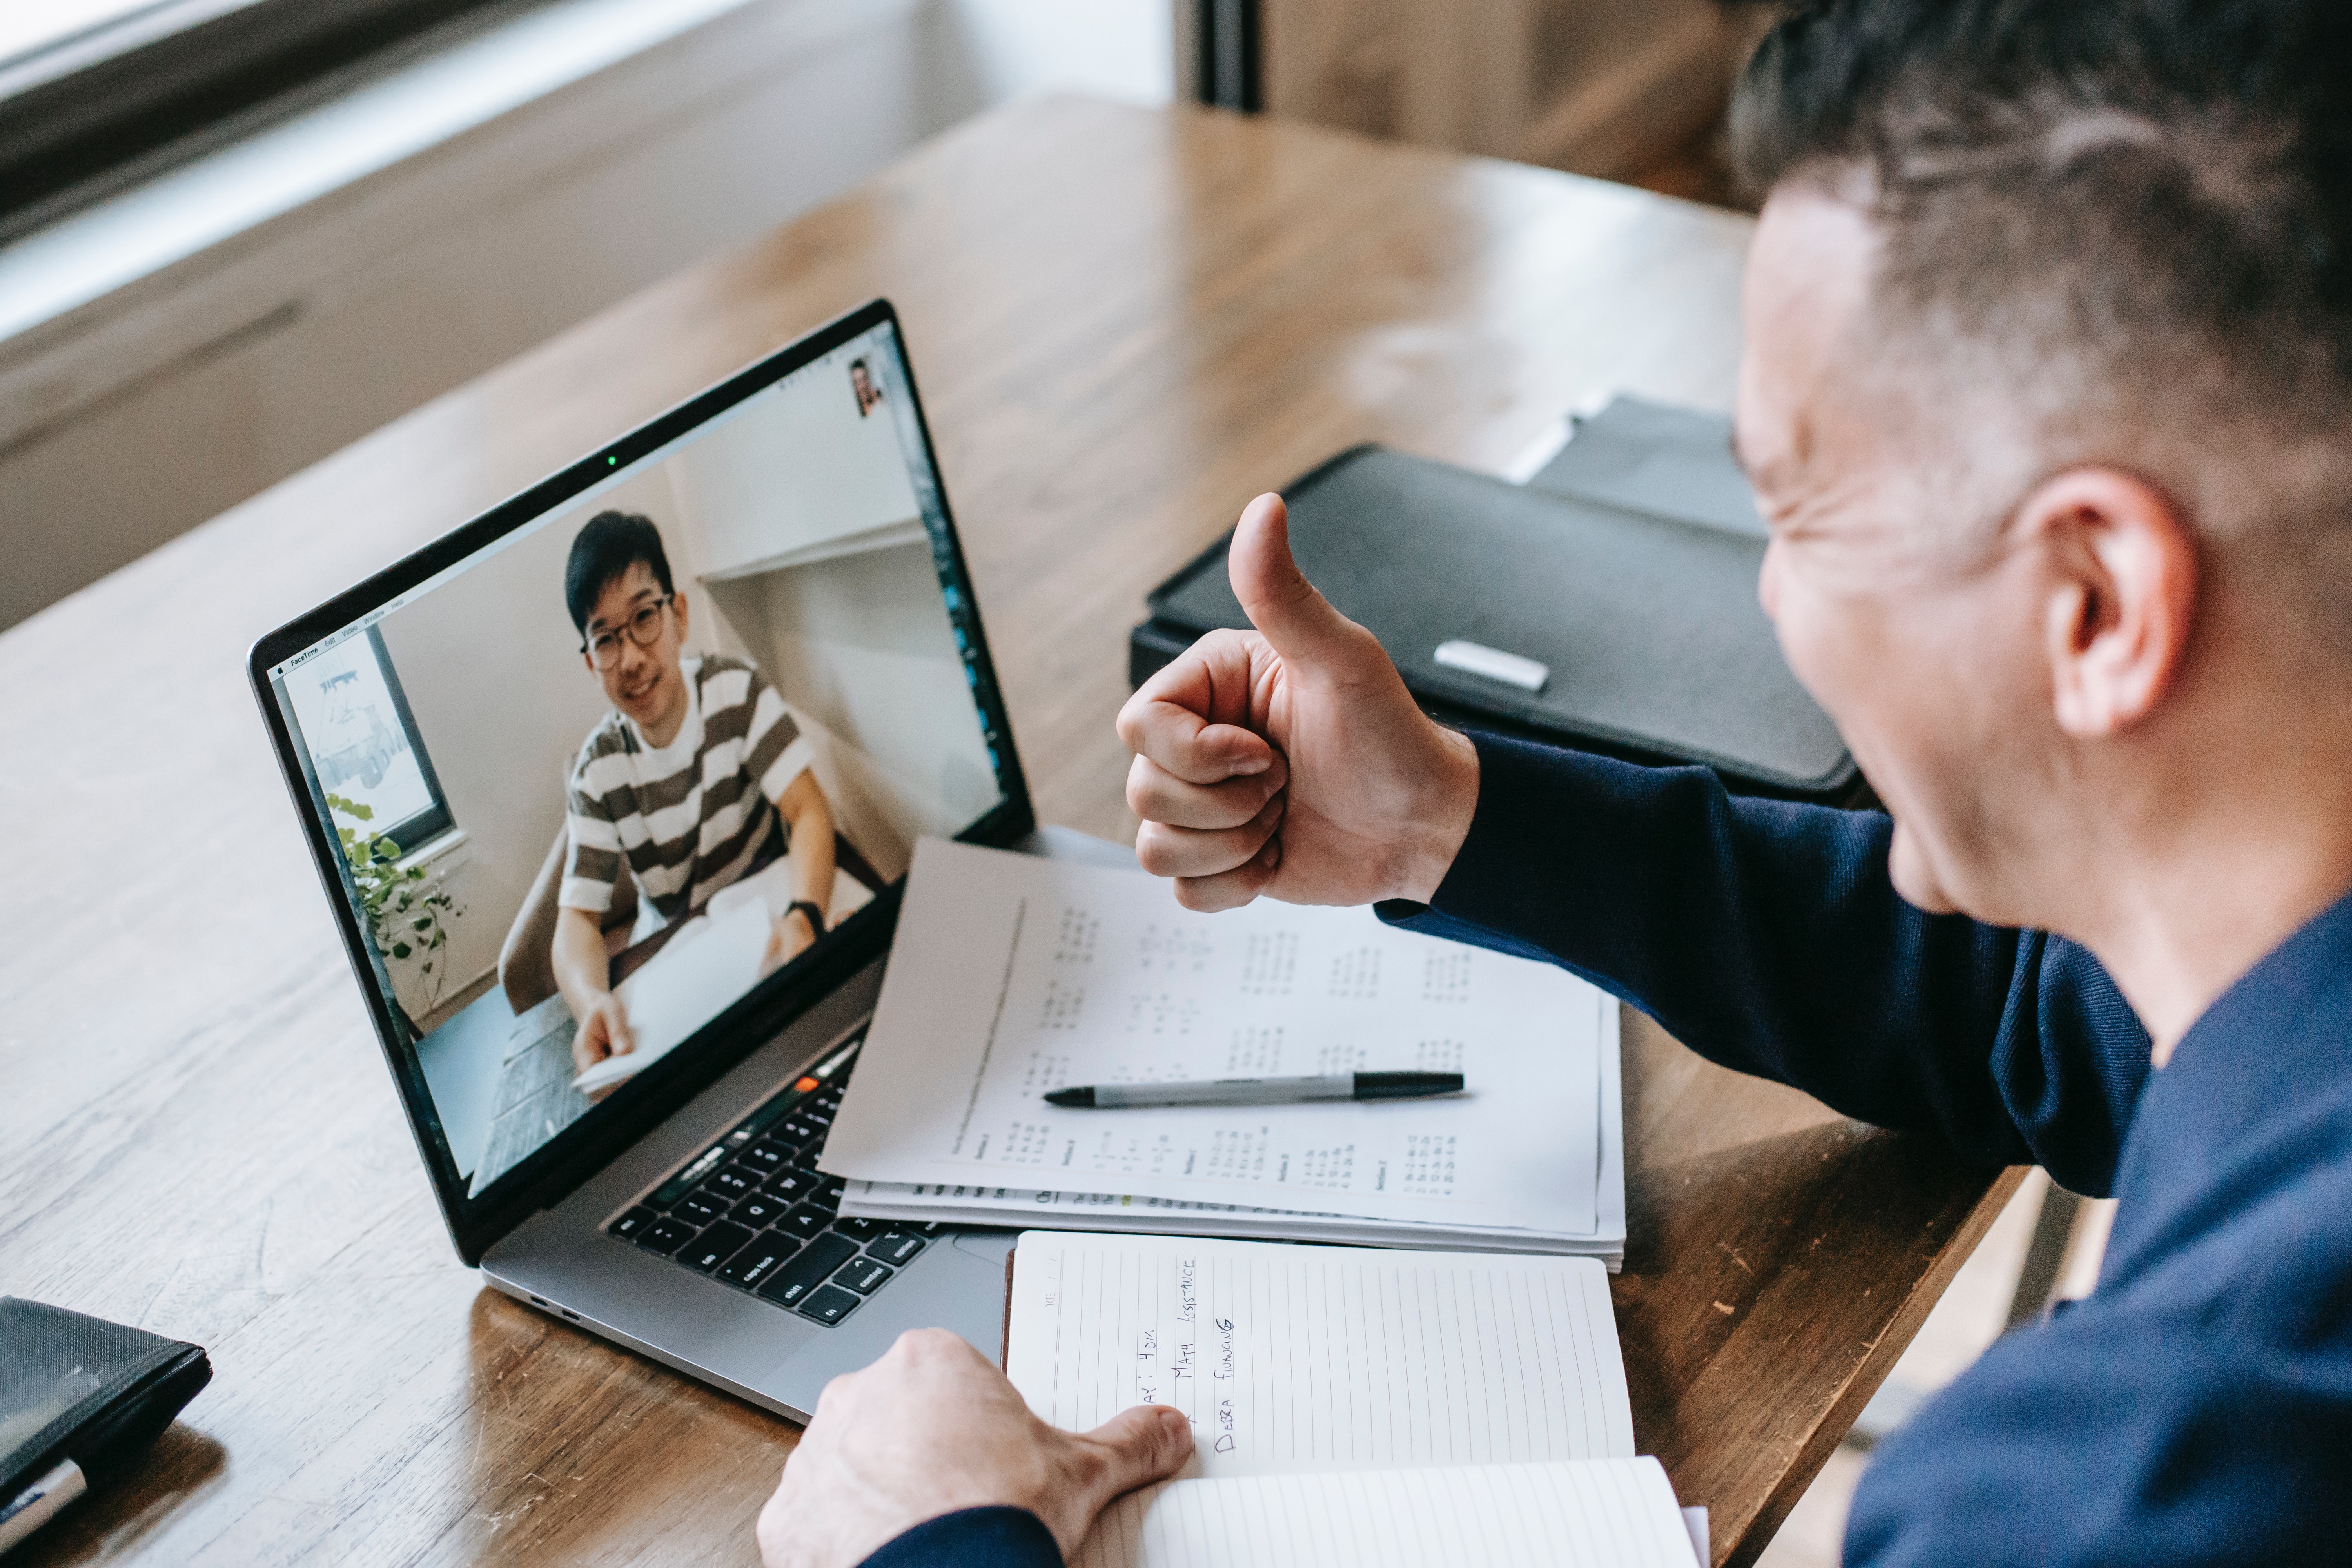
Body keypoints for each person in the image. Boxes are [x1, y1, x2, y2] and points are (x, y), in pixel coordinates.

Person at [756, 1, 2352, 1563]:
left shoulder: (2130, 1483)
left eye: (1798, 514)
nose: (1774, 602)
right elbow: (2044, 1004)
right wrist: (1444, 817)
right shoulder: (2267, 960)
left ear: (2096, 604)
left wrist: (936, 1546)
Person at [556, 510, 837, 1081]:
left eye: (643, 618)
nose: (631, 657)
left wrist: (807, 914)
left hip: (764, 917)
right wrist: (592, 1003)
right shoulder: (597, 771)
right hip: (674, 955)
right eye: (606, 639)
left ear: (678, 614)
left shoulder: (737, 691)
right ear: (591, 663)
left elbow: (808, 810)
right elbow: (576, 923)